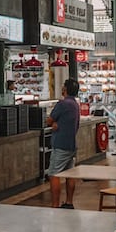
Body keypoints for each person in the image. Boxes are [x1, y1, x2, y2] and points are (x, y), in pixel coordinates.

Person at [46, 77, 81, 208]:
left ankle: (55, 205)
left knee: (54, 174)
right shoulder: (75, 104)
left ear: (65, 89)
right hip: (71, 144)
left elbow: (49, 121)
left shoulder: (62, 104)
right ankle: (69, 202)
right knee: (70, 173)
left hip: (60, 144)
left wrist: (54, 123)